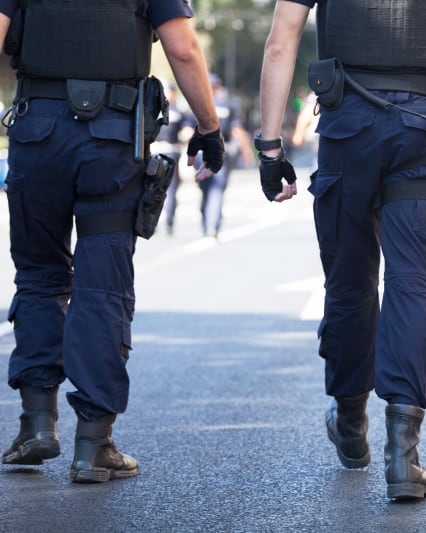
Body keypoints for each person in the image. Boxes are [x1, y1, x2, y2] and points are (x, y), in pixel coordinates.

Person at [257, 0, 426, 500]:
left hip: (347, 128)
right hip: (422, 130)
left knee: (349, 284)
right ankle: (403, 457)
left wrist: (269, 147)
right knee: (412, 286)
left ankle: (350, 421)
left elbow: (281, 40)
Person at [0, 1, 224, 483]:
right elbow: (183, 49)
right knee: (103, 285)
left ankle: (37, 424)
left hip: (37, 133)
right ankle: (93, 443)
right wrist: (209, 128)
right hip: (109, 138)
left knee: (39, 275)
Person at [190, 74, 255, 239]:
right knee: (215, 191)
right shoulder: (228, 106)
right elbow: (238, 131)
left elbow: (188, 132)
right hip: (220, 152)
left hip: (203, 153)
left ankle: (209, 224)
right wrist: (247, 153)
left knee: (209, 191)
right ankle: (212, 225)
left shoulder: (197, 105)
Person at [150, 81, 188, 235]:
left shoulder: (158, 109)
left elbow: (186, 132)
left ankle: (167, 221)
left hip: (169, 151)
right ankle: (155, 220)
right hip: (158, 150)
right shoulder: (159, 109)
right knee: (156, 187)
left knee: (168, 189)